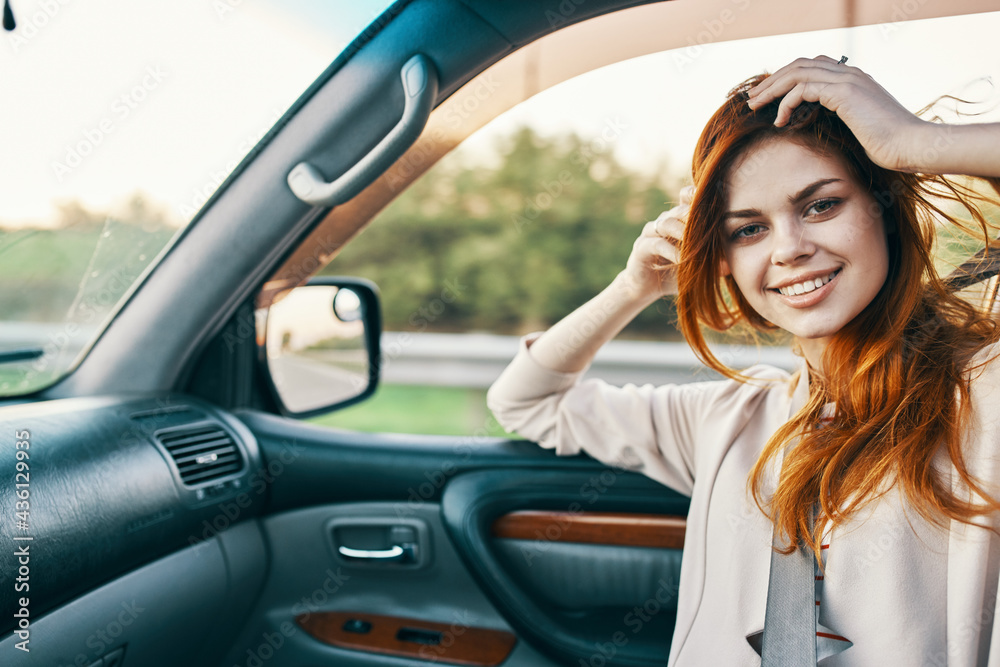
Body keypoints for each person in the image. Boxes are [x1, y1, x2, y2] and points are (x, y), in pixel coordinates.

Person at [486, 56, 1000, 665]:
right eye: (748, 230)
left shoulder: (983, 392)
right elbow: (525, 400)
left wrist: (909, 141)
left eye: (820, 206)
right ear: (721, 257)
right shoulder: (729, 418)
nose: (790, 249)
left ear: (883, 209)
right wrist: (632, 288)